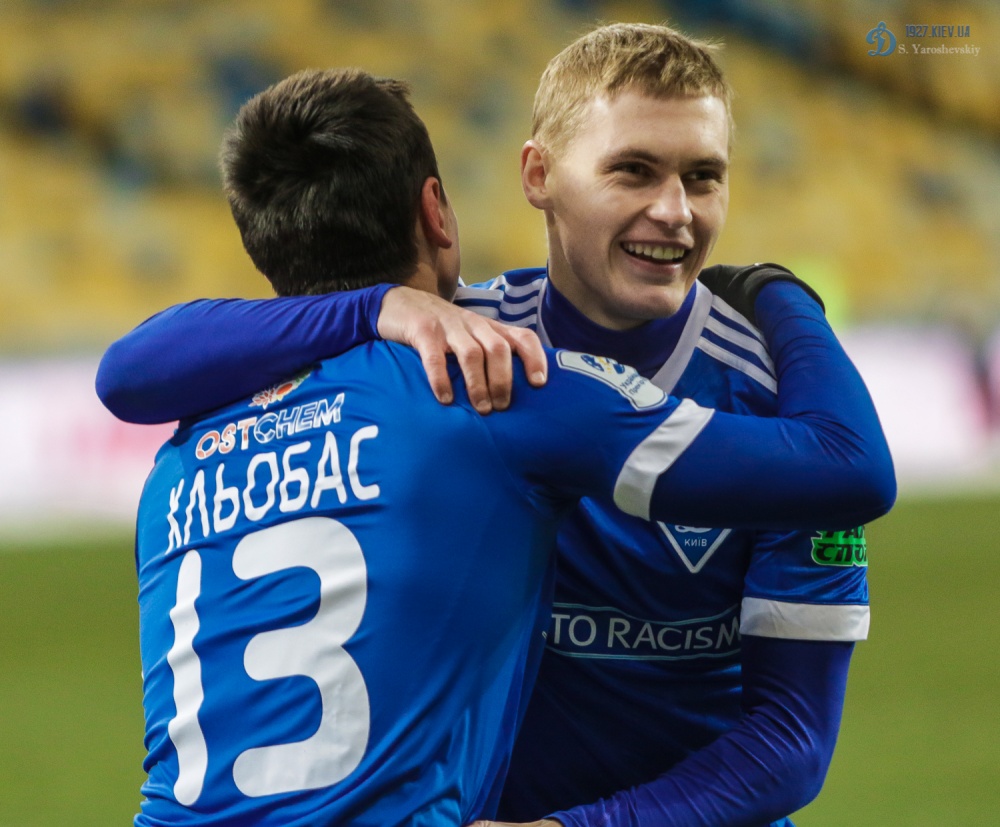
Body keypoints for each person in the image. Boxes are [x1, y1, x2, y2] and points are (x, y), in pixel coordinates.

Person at [98, 25, 894, 827]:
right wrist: (379, 305)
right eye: (632, 171)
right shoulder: (457, 349)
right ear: (538, 175)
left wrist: (775, 294)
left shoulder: (778, 401)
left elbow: (791, 735)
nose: (673, 211)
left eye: (704, 177)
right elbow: (133, 367)